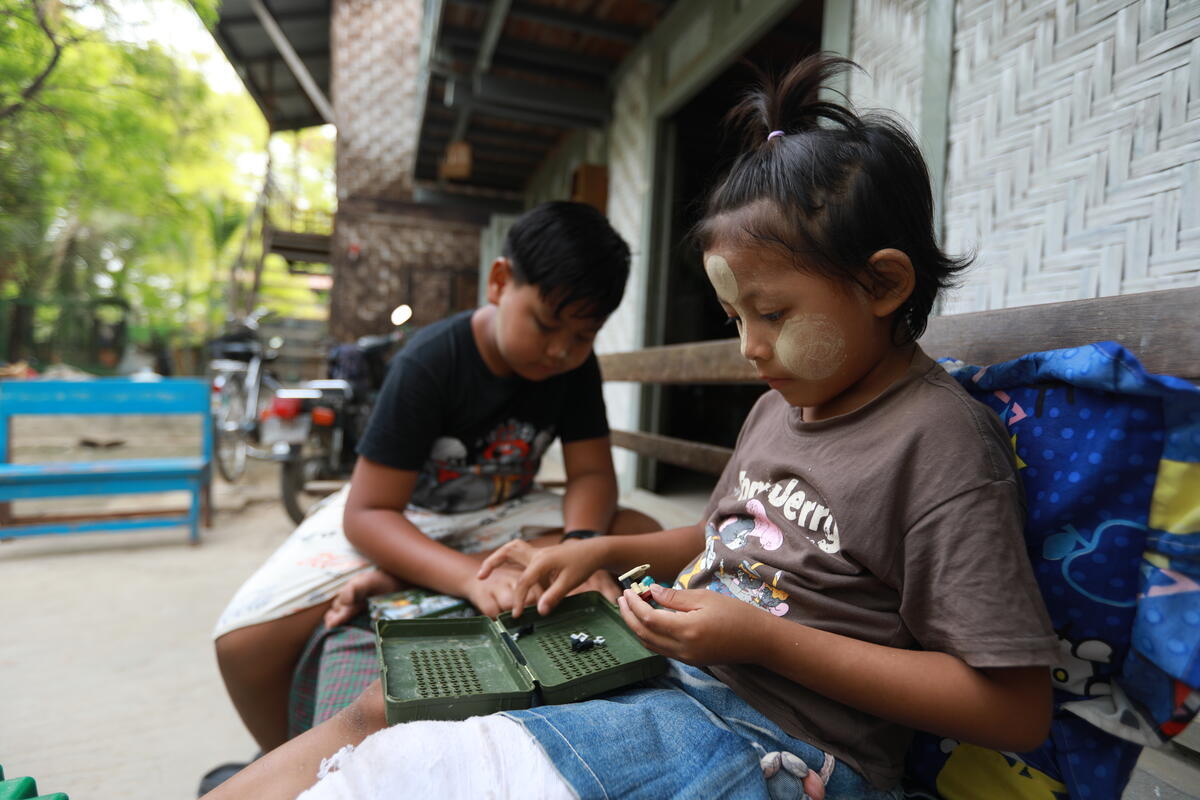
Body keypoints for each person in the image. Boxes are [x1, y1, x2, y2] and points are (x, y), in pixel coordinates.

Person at [203, 55, 1059, 800]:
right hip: (673, 677)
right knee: (389, 705)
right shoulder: (782, 405)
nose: (748, 348)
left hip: (771, 739)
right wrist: (599, 552)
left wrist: (760, 636)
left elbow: (1013, 709)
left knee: (429, 771)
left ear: (882, 285)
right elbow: (726, 533)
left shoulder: (939, 444)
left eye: (771, 313)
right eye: (733, 317)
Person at [210, 200, 660, 760]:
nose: (561, 350)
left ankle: (406, 580)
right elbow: (369, 512)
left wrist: (580, 548)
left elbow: (591, 472)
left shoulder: (572, 369)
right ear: (499, 282)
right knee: (243, 642)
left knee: (641, 531)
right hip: (407, 514)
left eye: (583, 336)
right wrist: (470, 579)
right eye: (546, 325)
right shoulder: (430, 361)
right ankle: (286, 759)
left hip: (500, 513)